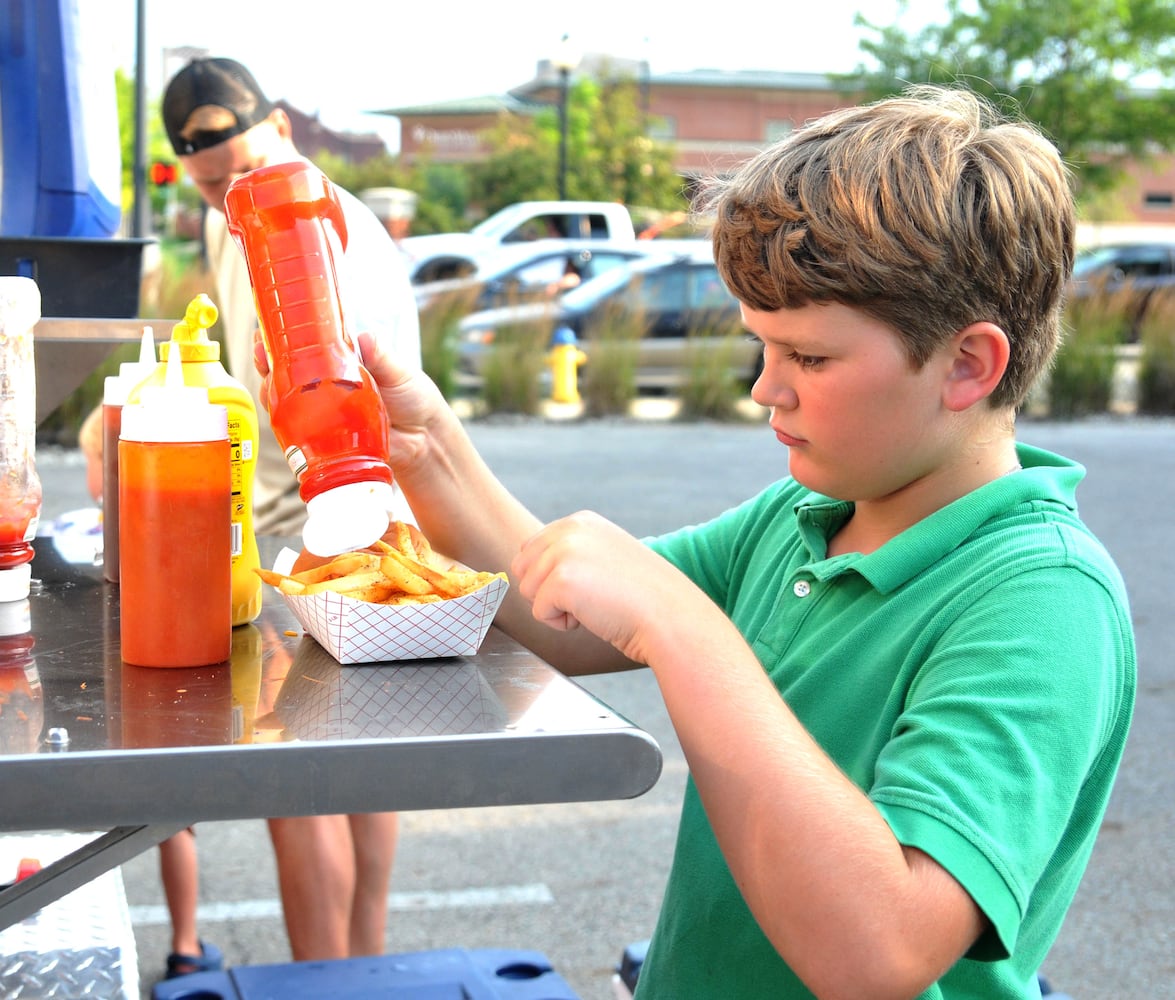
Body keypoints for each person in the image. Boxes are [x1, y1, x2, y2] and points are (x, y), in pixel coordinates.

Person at [263, 86, 1136, 997]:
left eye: (809, 357)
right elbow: (566, 618)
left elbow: (880, 952)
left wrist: (683, 629)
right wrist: (427, 447)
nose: (766, 388)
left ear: (967, 364)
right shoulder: (803, 519)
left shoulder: (1041, 598)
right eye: (761, 346)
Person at [162, 56, 419, 962]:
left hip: (319, 515)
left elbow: (329, 385)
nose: (230, 196)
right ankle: (364, 968)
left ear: (279, 125)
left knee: (300, 778)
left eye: (235, 170)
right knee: (359, 762)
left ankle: (332, 979)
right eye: (208, 185)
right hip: (364, 510)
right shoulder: (230, 216)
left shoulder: (307, 222)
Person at [76, 405, 223, 978]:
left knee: (168, 824)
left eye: (95, 461)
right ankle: (186, 946)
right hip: (147, 691)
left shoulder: (128, 507)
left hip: (130, 690)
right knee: (173, 825)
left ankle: (184, 945)